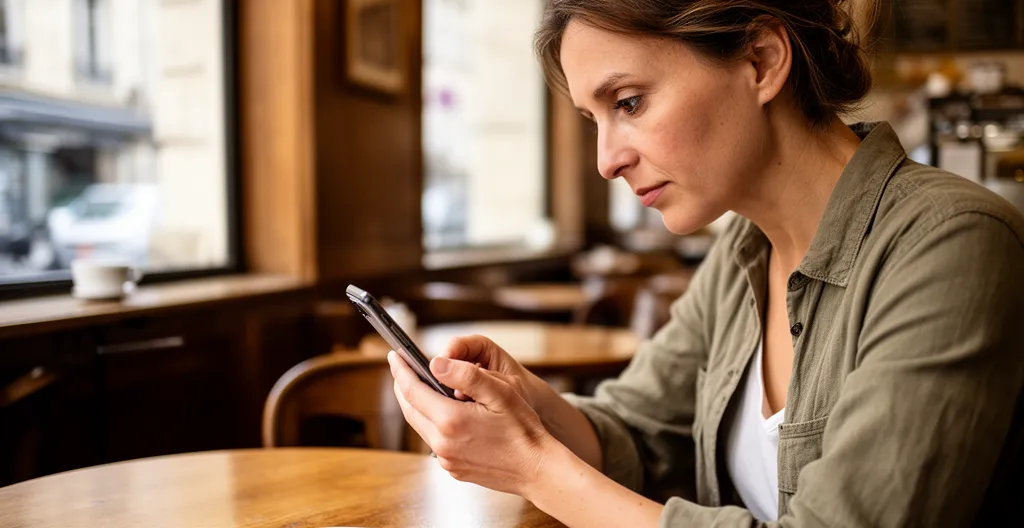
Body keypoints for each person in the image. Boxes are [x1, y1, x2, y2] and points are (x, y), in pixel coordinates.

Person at [386, 0, 1024, 525]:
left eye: (629, 102)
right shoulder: (743, 251)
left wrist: (534, 468)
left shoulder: (953, 241)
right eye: (593, 120)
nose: (606, 160)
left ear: (760, 61)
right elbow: (639, 432)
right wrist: (530, 408)